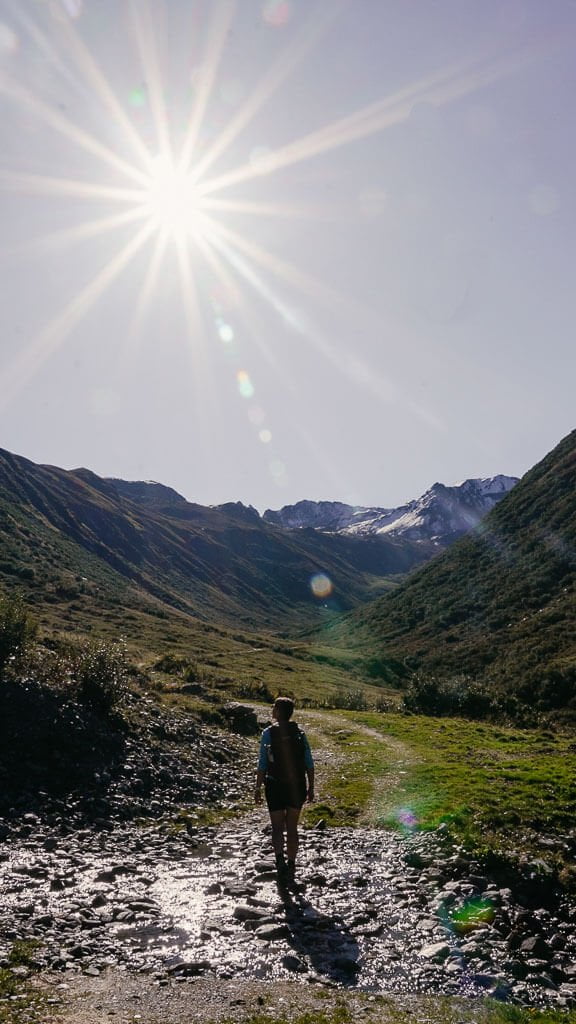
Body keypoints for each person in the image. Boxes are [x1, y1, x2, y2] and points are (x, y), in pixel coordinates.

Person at [254, 696, 314, 883]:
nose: (272, 709)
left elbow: (262, 763)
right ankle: (292, 863)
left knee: (277, 827)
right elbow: (309, 764)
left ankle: (279, 860)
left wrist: (257, 787)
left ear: (278, 711)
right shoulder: (300, 734)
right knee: (292, 828)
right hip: (296, 785)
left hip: (274, 784)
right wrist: (311, 787)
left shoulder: (268, 734)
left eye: (274, 707)